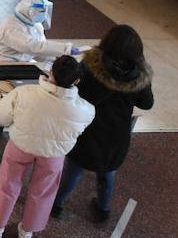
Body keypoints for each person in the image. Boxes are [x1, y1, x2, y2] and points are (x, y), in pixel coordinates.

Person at [0, 56, 95, 238]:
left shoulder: (24, 92)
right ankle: (28, 230)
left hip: (21, 145)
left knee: (7, 184)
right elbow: (77, 132)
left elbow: (2, 117)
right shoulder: (87, 109)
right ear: (77, 81)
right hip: (54, 154)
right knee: (43, 192)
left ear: (50, 72)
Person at [51, 25, 154, 223]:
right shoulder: (139, 76)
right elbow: (147, 103)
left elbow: (76, 92)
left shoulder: (90, 66)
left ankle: (56, 204)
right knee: (107, 174)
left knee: (72, 172)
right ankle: (103, 209)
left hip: (87, 131)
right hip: (117, 137)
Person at [0, 0, 79, 68]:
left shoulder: (36, 25)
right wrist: (65, 49)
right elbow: (33, 46)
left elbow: (40, 53)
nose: (44, 14)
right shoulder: (10, 26)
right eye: (41, 11)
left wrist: (57, 59)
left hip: (18, 66)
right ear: (29, 10)